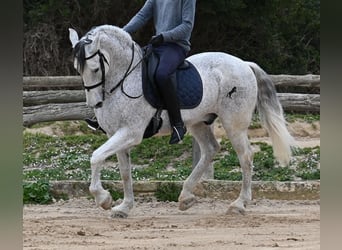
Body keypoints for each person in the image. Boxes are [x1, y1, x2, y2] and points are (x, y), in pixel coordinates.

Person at [86, 0, 196, 144]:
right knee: (130, 70)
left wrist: (164, 36)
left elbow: (187, 26)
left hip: (176, 46)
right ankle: (106, 120)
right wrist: (121, 34)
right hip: (158, 45)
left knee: (162, 74)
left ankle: (178, 124)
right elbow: (142, 16)